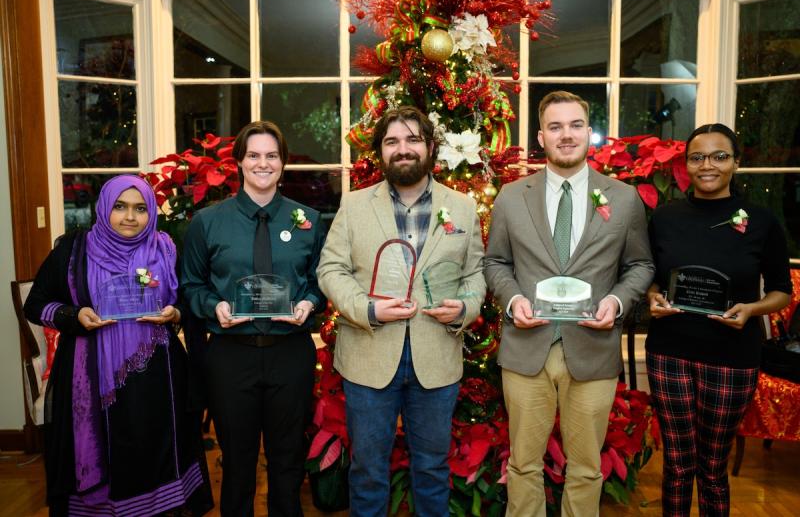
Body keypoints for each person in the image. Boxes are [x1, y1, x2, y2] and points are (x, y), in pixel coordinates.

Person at [484, 90, 654, 516]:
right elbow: (495, 262)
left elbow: (640, 265)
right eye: (555, 127)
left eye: (575, 125)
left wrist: (616, 301)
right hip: (527, 350)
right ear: (541, 137)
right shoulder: (510, 196)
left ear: (588, 133)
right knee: (523, 465)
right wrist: (512, 300)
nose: (566, 135)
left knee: (586, 467)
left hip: (592, 350)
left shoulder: (623, 198)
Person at [316, 106, 486, 516]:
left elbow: (476, 272)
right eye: (392, 141)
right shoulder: (355, 205)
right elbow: (331, 268)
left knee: (431, 468)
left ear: (430, 147)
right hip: (369, 357)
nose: (402, 149)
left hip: (437, 357)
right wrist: (368, 309)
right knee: (368, 469)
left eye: (412, 140)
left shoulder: (462, 207)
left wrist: (465, 306)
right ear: (380, 151)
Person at [24, 174, 213, 516]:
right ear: (104, 208)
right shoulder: (73, 249)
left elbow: (189, 300)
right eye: (120, 207)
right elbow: (35, 305)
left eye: (141, 208)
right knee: (101, 451)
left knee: (151, 451)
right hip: (90, 371)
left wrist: (175, 313)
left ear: (151, 212)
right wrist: (75, 314)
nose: (130, 217)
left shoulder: (165, 248)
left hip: (156, 376)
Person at [181, 120, 326, 517]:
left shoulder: (309, 221)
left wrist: (309, 303)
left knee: (288, 460)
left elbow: (322, 282)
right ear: (240, 163)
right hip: (231, 356)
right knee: (237, 463)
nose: (263, 164)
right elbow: (190, 286)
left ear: (283, 163)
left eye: (272, 156)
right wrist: (215, 307)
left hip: (290, 354)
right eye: (254, 155)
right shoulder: (207, 223)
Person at [646, 123, 791, 516]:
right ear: (686, 165)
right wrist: (652, 296)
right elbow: (652, 278)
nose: (707, 165)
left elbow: (781, 290)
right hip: (669, 353)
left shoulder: (761, 222)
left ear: (736, 163)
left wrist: (752, 309)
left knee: (712, 467)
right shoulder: (664, 218)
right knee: (677, 465)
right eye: (697, 157)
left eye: (719, 156)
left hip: (732, 357)